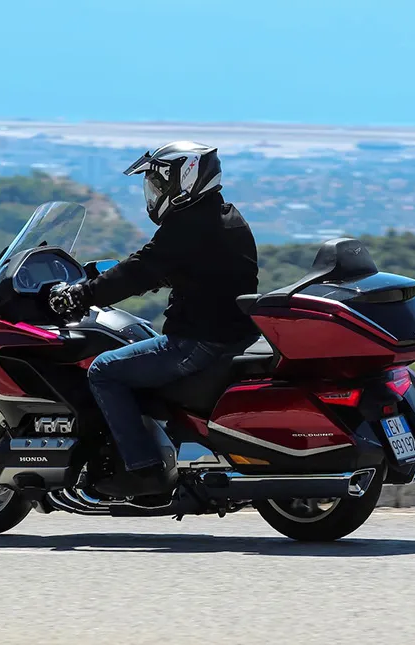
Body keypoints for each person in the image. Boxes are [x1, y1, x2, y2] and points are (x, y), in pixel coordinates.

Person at [48, 141, 259, 496]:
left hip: (197, 342)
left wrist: (82, 294)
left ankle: (141, 469)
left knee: (103, 371)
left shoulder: (187, 226)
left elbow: (140, 268)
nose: (154, 193)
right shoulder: (226, 217)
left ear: (185, 180)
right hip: (232, 336)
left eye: (160, 184)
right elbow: (193, 270)